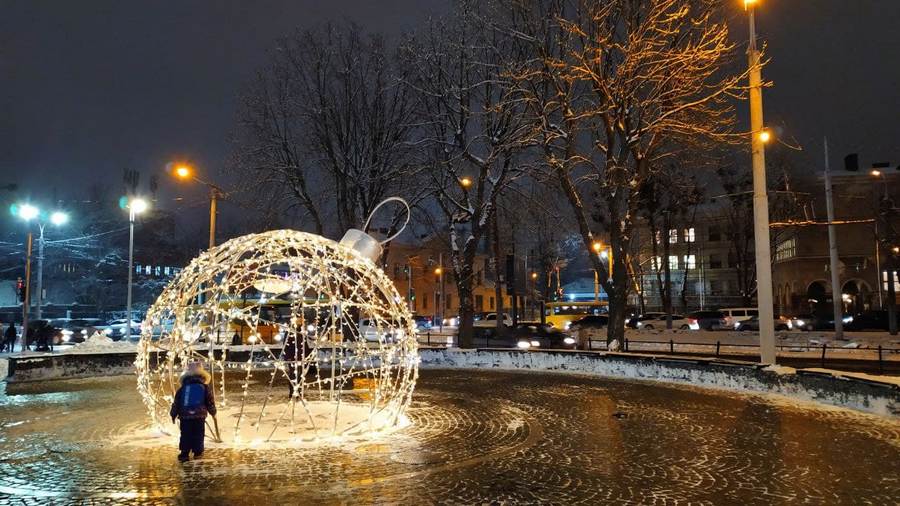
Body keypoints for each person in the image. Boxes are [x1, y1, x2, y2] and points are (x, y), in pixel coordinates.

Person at [170, 362, 216, 462]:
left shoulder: (182, 389)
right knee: (198, 434)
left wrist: (173, 414)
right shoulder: (204, 387)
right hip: (199, 415)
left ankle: (184, 453)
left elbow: (176, 403)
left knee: (185, 434)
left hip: (185, 415)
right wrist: (213, 412)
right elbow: (209, 401)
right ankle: (198, 453)